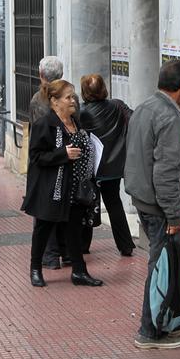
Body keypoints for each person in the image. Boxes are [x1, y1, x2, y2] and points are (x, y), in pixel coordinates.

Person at [124, 60, 180, 349]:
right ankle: (150, 331)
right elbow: (166, 172)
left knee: (163, 264)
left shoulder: (144, 108)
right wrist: (173, 214)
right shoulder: (168, 117)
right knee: (161, 267)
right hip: (159, 206)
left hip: (146, 200)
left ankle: (167, 320)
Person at [21, 79, 103, 288]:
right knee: (44, 228)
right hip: (53, 188)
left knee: (74, 230)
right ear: (54, 101)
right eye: (68, 97)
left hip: (76, 187)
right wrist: (62, 154)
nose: (73, 100)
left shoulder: (77, 121)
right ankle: (35, 269)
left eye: (73, 96)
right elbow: (37, 157)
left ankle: (79, 271)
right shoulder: (44, 124)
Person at [78, 74, 135, 257]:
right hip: (113, 168)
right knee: (114, 204)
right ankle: (125, 245)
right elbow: (134, 119)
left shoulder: (81, 112)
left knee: (87, 204)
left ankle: (83, 245)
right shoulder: (117, 106)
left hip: (92, 167)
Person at [29, 56, 71, 270]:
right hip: (65, 159)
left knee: (46, 210)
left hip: (50, 162)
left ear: (41, 75)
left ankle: (50, 255)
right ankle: (65, 252)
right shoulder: (70, 97)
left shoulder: (39, 99)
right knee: (62, 206)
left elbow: (36, 135)